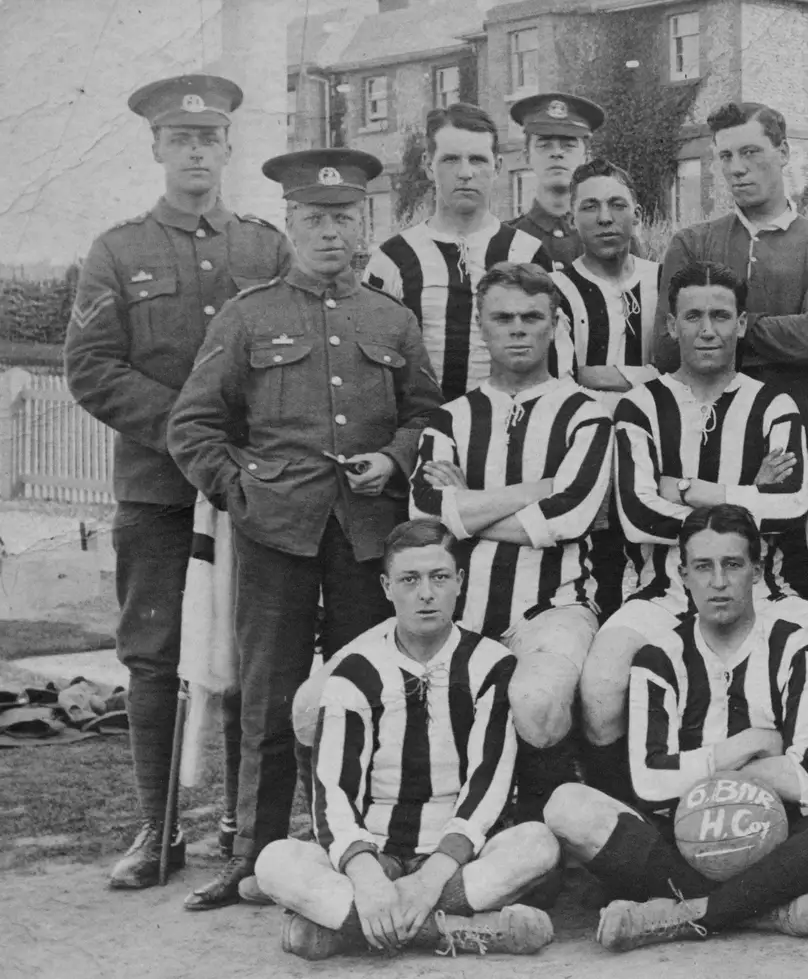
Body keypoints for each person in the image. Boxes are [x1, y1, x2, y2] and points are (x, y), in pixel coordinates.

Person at [168, 147, 444, 910]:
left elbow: (427, 414)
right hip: (276, 535)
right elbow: (192, 426)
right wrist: (242, 492)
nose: (330, 232)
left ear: (365, 225)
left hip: (366, 539)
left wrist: (394, 460)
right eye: (314, 219)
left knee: (365, 694)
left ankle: (358, 846)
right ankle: (252, 856)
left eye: (344, 218)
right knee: (267, 699)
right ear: (289, 225)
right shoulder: (249, 313)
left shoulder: (389, 317)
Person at [65, 73, 293, 891]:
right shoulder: (118, 251)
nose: (196, 152)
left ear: (229, 148)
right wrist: (188, 431)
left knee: (247, 654)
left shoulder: (266, 247)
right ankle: (157, 830)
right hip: (159, 490)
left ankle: (239, 832)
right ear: (157, 148)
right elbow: (90, 368)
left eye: (210, 138)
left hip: (246, 486)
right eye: (180, 139)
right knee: (154, 654)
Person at [580, 260, 808, 809]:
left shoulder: (773, 405)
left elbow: (792, 506)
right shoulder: (642, 406)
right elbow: (639, 513)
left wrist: (688, 489)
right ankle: (641, 820)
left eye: (720, 316)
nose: (707, 329)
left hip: (763, 591)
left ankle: (797, 815)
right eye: (693, 316)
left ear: (741, 324)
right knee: (600, 689)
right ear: (671, 325)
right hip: (663, 591)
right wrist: (747, 494)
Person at [543, 504, 808, 951]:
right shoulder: (658, 657)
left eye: (733, 564)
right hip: (680, 840)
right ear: (683, 573)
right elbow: (649, 783)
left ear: (756, 571)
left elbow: (807, 781)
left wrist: (694, 773)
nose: (719, 581)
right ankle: (763, 908)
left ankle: (682, 915)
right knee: (565, 804)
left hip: (779, 840)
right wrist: (747, 747)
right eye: (703, 567)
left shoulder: (800, 651)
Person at [256, 519, 559, 960]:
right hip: (374, 853)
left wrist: (430, 877)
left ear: (459, 581)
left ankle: (345, 930)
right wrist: (368, 878)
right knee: (275, 862)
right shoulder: (355, 670)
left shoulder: (491, 664)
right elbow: (332, 792)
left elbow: (489, 783)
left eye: (439, 577)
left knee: (538, 842)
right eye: (409, 579)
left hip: (458, 858)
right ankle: (450, 931)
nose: (425, 593)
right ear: (386, 586)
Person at [410, 262, 613, 825]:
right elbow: (426, 511)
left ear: (554, 326)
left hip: (554, 608)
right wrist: (535, 488)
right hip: (458, 609)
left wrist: (468, 508)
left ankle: (546, 837)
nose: (517, 329)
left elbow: (570, 514)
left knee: (538, 702)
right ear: (481, 326)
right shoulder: (449, 418)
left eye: (532, 317)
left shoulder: (585, 416)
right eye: (503, 318)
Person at [652, 101, 808, 423]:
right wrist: (783, 334)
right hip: (707, 427)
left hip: (795, 429)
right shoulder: (691, 243)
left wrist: (711, 329)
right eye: (726, 156)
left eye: (750, 152)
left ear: (783, 152)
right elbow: (666, 348)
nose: (736, 168)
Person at [364, 103, 554, 403]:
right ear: (428, 165)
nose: (465, 173)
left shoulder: (528, 252)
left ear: (498, 167)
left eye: (478, 159)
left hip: (510, 428)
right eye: (451, 159)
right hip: (420, 432)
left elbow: (553, 355)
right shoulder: (392, 259)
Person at [551, 158, 662, 618]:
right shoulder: (557, 287)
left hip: (660, 448)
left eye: (618, 205)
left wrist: (600, 373)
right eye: (590, 206)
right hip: (589, 452)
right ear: (571, 217)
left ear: (636, 213)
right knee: (600, 578)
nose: (605, 217)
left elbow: (680, 371)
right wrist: (645, 372)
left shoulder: (663, 279)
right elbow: (561, 382)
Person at [507, 93, 606, 268]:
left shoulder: (611, 237)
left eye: (569, 145)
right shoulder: (506, 239)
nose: (557, 153)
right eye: (544, 145)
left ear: (586, 157)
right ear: (526, 156)